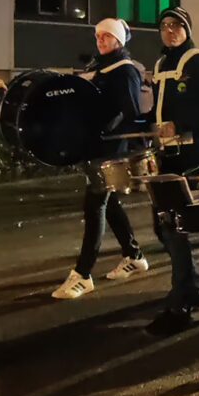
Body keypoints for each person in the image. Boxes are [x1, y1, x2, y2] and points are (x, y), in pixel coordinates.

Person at [146, 7, 199, 335]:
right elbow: (159, 110)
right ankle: (192, 284)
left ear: (187, 29)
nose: (170, 31)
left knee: (173, 225)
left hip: (193, 158)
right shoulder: (161, 64)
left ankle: (184, 297)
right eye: (165, 25)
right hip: (167, 157)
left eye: (177, 25)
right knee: (164, 225)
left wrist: (179, 125)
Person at [52, 18, 148, 299]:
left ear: (118, 40)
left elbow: (128, 110)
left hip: (109, 150)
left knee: (94, 207)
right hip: (95, 146)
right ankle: (134, 255)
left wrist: (104, 129)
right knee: (110, 202)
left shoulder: (124, 70)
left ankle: (83, 274)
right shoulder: (101, 68)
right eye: (97, 36)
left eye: (106, 36)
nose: (100, 40)